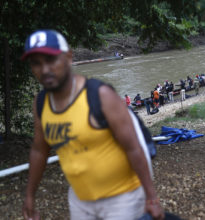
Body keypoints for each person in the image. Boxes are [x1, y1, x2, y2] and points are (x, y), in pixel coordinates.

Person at [21, 30, 164, 220]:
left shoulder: (100, 96)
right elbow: (39, 150)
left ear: (68, 57)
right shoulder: (40, 104)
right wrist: (30, 195)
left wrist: (151, 198)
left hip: (123, 197)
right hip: (80, 199)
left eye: (51, 60)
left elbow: (134, 147)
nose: (45, 69)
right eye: (36, 63)